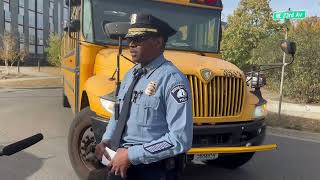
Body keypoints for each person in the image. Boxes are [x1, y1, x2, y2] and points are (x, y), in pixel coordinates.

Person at [95, 13, 193, 180]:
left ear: (158, 41)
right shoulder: (130, 75)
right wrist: (107, 139)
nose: (131, 44)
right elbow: (118, 114)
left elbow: (180, 138)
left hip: (151, 169)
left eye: (138, 38)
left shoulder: (172, 80)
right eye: (129, 39)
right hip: (118, 162)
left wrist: (131, 155)